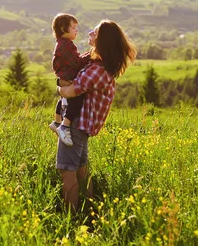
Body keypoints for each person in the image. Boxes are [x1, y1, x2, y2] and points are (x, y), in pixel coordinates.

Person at [55, 20, 137, 212]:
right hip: (80, 126)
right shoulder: (97, 64)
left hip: (75, 125)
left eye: (96, 31)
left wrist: (59, 87)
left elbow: (72, 91)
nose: (90, 32)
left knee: (67, 171)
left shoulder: (98, 70)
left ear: (103, 40)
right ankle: (90, 211)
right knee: (81, 171)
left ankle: (72, 218)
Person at [49, 13, 91, 146]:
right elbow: (77, 63)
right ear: (63, 29)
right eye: (73, 27)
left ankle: (56, 122)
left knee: (63, 99)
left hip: (64, 76)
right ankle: (64, 125)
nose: (76, 30)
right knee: (77, 98)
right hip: (68, 75)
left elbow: (76, 60)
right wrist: (91, 55)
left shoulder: (63, 43)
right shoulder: (66, 45)